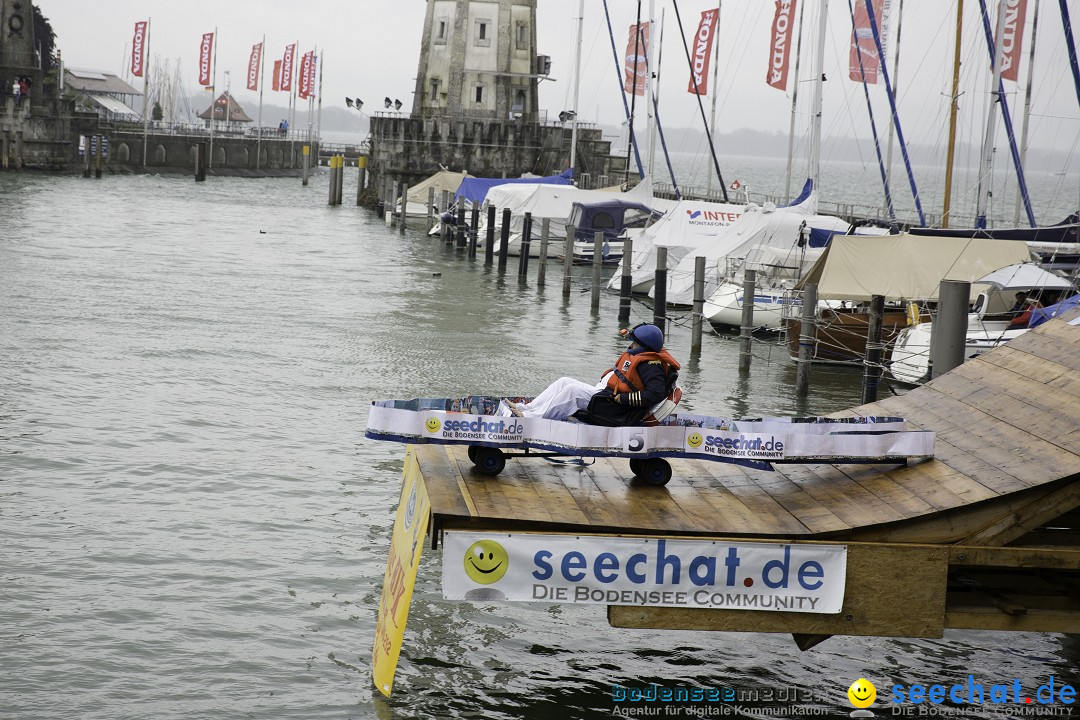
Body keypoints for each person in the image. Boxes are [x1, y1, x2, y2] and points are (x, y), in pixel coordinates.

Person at [514, 324, 681, 426]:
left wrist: (624, 399)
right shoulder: (643, 358)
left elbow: (655, 393)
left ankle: (530, 419)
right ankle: (527, 409)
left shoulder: (652, 366)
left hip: (613, 407)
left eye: (634, 342)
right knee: (564, 381)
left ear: (644, 346)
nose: (631, 344)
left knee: (572, 391)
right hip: (606, 395)